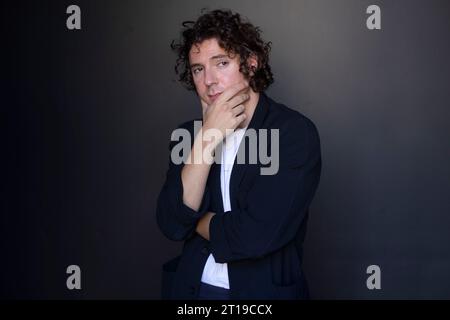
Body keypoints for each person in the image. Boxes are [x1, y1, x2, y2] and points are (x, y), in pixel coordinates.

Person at [156, 9, 321, 300]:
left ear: (251, 63)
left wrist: (195, 221)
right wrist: (208, 138)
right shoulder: (189, 135)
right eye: (198, 69)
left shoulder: (293, 133)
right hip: (192, 291)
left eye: (221, 63)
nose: (209, 80)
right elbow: (170, 223)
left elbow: (255, 236)